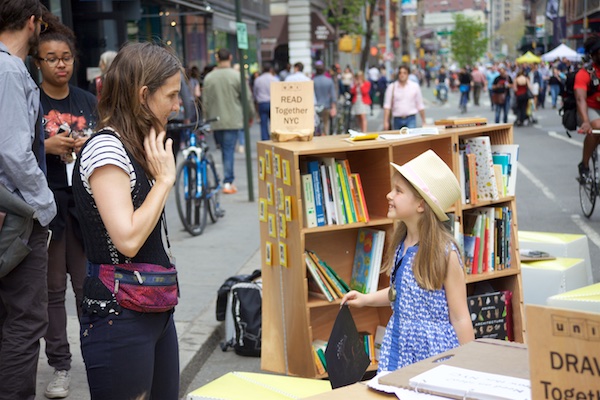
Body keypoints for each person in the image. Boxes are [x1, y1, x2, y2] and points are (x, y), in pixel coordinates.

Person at [71, 42, 180, 400]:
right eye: (172, 95)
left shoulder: (137, 144)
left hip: (154, 303)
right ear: (143, 94)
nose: (177, 106)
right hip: (119, 314)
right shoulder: (107, 149)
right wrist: (163, 181)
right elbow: (128, 239)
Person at [341, 150, 474, 372]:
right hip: (399, 345)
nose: (389, 195)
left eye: (398, 191)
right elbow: (400, 293)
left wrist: (469, 366)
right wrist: (366, 299)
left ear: (421, 205)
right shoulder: (401, 243)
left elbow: (460, 317)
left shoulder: (445, 253)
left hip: (433, 354)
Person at [35, 13, 97, 399]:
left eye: (66, 57)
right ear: (37, 62)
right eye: (51, 57)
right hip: (47, 209)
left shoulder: (88, 100)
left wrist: (85, 144)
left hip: (86, 208)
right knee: (52, 290)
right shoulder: (31, 100)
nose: (61, 64)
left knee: (87, 287)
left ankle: (96, 356)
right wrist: (46, 147)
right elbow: (12, 155)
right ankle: (60, 365)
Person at [0, 2, 58, 399]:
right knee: (25, 320)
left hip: (11, 211)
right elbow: (13, 152)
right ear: (32, 22)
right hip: (17, 215)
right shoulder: (8, 70)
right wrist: (45, 204)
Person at [202, 48, 255, 194]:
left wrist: (207, 119)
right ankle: (228, 181)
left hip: (215, 120)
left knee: (224, 149)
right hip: (233, 119)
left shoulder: (209, 78)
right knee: (228, 150)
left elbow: (204, 101)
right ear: (231, 57)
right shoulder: (237, 76)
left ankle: (225, 179)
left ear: (217, 58)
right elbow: (247, 98)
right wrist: (250, 115)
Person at [576, 35, 600, 181]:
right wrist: (585, 121)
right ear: (594, 54)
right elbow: (580, 99)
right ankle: (584, 165)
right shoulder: (584, 73)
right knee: (596, 126)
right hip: (589, 109)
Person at [383, 65, 426, 130]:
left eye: (404, 73)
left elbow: (420, 105)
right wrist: (386, 122)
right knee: (398, 139)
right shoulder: (392, 87)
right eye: (400, 73)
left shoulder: (414, 86)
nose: (402, 75)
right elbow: (387, 106)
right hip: (397, 119)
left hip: (410, 118)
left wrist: (424, 121)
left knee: (411, 139)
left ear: (408, 74)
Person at [253, 63, 279, 140]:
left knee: (263, 124)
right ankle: (275, 138)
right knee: (274, 123)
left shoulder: (258, 80)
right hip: (273, 102)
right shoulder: (275, 79)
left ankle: (265, 140)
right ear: (270, 69)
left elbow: (255, 92)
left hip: (262, 103)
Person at [313, 62, 337, 135]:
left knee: (315, 126)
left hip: (315, 106)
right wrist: (334, 108)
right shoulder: (329, 80)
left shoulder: (312, 81)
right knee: (326, 125)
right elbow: (333, 96)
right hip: (326, 106)